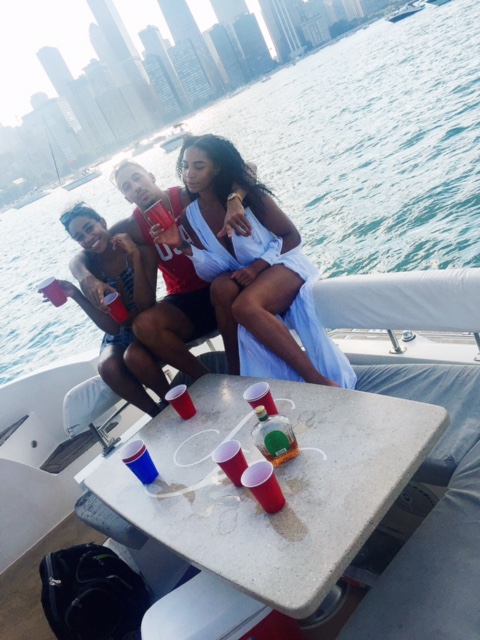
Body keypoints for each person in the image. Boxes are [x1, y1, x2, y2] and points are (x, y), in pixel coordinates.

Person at [151, 134, 356, 388]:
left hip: (283, 263)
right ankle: (239, 374)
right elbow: (215, 270)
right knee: (219, 287)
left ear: (216, 168)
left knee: (244, 307)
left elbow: (291, 237)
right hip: (250, 277)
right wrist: (183, 247)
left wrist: (258, 267)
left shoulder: (247, 197)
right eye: (185, 166)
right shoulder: (189, 217)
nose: (189, 174)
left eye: (198, 166)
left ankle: (318, 380)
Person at [69, 159, 252, 382]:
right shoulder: (132, 226)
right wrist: (85, 277)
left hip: (222, 280)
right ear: (127, 198)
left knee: (222, 287)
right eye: (127, 186)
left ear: (151, 176)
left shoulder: (186, 196)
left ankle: (236, 370)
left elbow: (248, 168)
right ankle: (209, 382)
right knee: (143, 325)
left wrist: (235, 199)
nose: (136, 187)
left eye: (137, 178)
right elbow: (82, 255)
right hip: (185, 298)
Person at [59, 203, 171, 418]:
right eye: (80, 237)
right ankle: (157, 415)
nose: (88, 238)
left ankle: (172, 401)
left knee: (135, 356)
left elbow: (146, 304)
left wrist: (135, 257)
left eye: (89, 228)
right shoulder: (90, 273)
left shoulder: (132, 249)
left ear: (102, 222)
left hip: (144, 321)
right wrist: (76, 293)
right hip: (119, 331)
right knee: (108, 367)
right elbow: (111, 328)